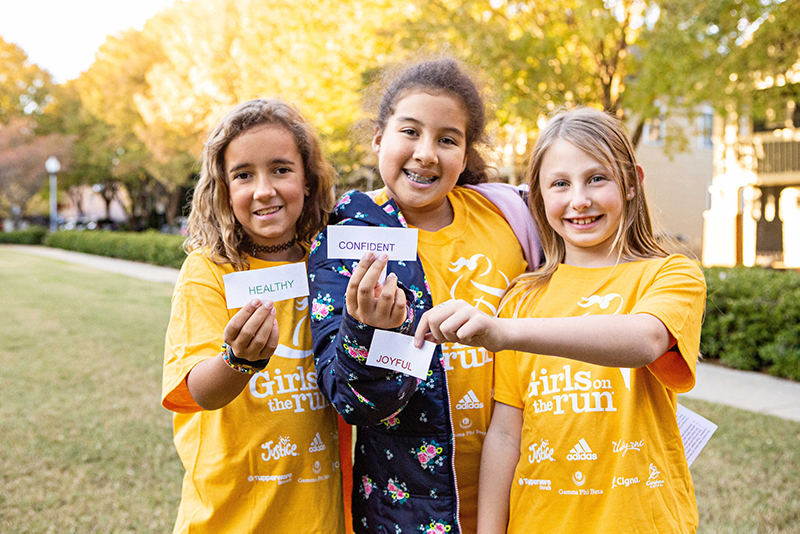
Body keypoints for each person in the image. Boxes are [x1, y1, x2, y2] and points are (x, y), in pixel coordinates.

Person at [414, 107, 707, 533]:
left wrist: (504, 332)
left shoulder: (670, 274)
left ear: (632, 183)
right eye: (560, 184)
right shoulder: (522, 298)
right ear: (538, 197)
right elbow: (505, 435)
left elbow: (645, 340)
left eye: (597, 178)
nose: (579, 200)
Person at [308, 57, 542, 533]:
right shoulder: (348, 237)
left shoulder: (509, 216)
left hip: (525, 499)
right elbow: (351, 402)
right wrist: (367, 331)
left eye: (447, 139)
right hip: (408, 515)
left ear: (466, 153)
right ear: (379, 139)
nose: (427, 153)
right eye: (410, 132)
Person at [161, 98, 345, 533]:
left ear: (307, 180)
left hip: (317, 518)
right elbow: (200, 391)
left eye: (281, 170)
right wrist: (238, 360)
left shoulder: (327, 265)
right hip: (229, 518)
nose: (263, 190)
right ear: (224, 189)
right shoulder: (208, 271)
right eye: (243, 175)